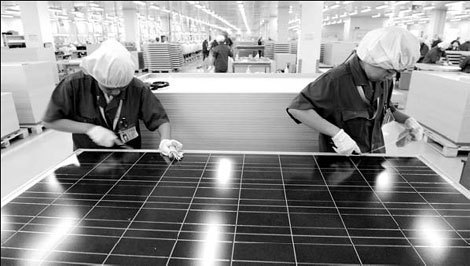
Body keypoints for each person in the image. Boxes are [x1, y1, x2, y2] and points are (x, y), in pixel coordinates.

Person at [286, 27, 424, 155]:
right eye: (388, 71)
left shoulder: (384, 79)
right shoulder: (336, 80)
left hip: (375, 154)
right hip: (342, 161)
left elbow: (386, 107)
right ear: (371, 59)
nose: (391, 76)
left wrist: (408, 121)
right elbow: (298, 109)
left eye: (396, 72)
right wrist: (337, 134)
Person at [43, 39, 184, 160]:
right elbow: (51, 121)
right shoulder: (73, 86)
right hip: (89, 160)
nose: (116, 92)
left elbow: (160, 119)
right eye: (109, 88)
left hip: (129, 160)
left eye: (122, 88)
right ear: (96, 77)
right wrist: (89, 129)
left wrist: (165, 140)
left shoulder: (137, 88)